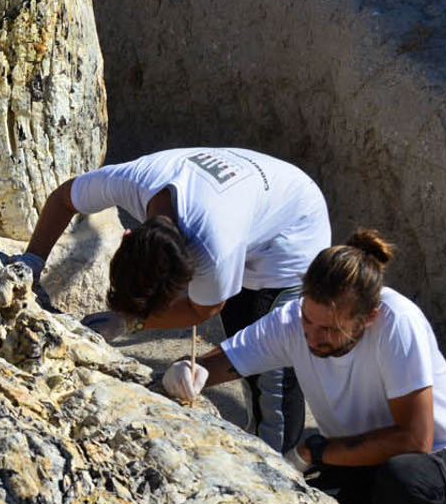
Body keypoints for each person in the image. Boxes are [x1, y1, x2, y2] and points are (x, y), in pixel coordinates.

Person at [162, 230, 446, 504]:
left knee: (403, 480)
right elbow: (227, 360)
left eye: (330, 329)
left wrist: (313, 452)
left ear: (369, 317)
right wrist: (190, 371)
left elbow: (415, 440)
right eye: (308, 320)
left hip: (445, 460)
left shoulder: (397, 321)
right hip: (361, 458)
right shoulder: (295, 321)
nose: (312, 337)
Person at [18, 147, 330, 451]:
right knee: (241, 333)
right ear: (127, 236)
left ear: (193, 265)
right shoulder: (130, 181)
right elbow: (63, 199)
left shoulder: (214, 250)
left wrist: (129, 322)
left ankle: (279, 458)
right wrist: (31, 261)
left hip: (294, 229)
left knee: (270, 366)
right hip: (251, 197)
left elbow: (203, 309)